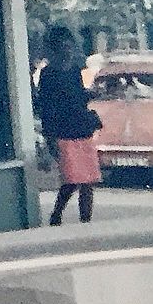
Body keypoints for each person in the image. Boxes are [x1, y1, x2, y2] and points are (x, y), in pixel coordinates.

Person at [36, 25, 100, 226]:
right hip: (63, 132)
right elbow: (47, 107)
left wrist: (89, 95)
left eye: (70, 45)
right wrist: (50, 137)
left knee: (88, 180)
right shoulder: (48, 74)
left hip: (82, 129)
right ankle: (56, 214)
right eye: (65, 46)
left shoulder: (74, 70)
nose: (69, 50)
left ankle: (85, 220)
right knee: (71, 179)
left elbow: (79, 97)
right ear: (56, 49)